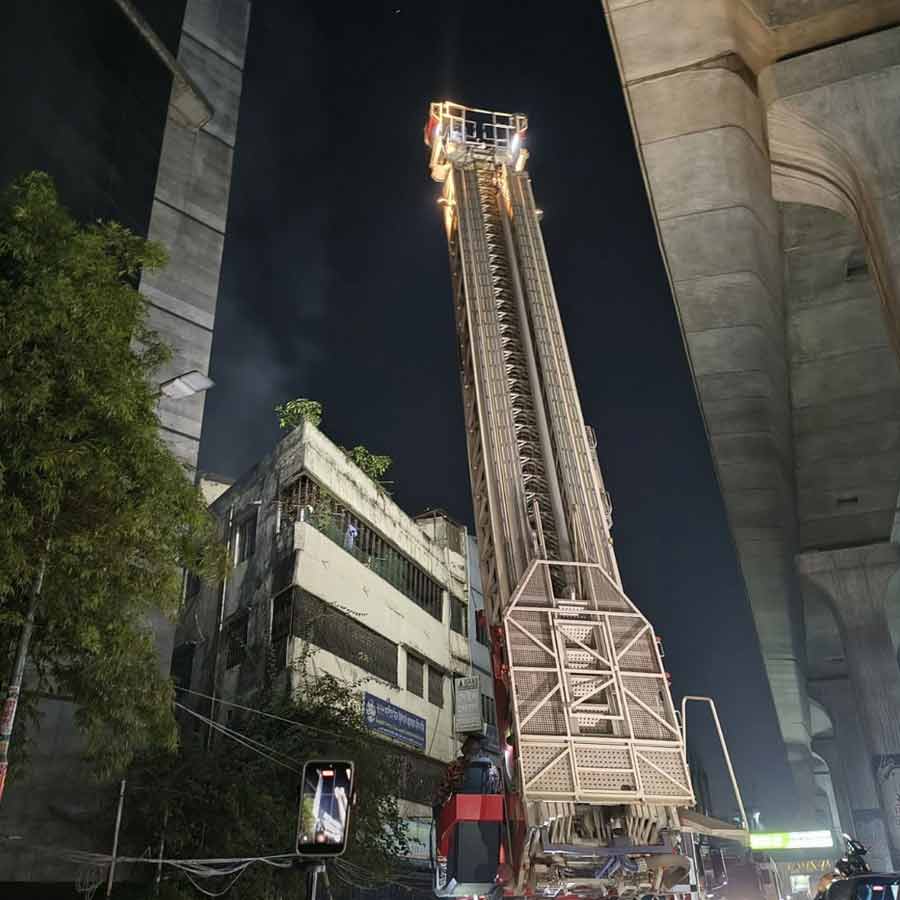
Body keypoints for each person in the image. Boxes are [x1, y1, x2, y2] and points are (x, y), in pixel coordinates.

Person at [434, 735, 483, 811]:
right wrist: (439, 808)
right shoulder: (454, 767)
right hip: (458, 811)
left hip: (479, 811)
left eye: (475, 751)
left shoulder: (486, 769)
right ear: (465, 750)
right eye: (470, 750)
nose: (471, 756)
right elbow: (443, 790)